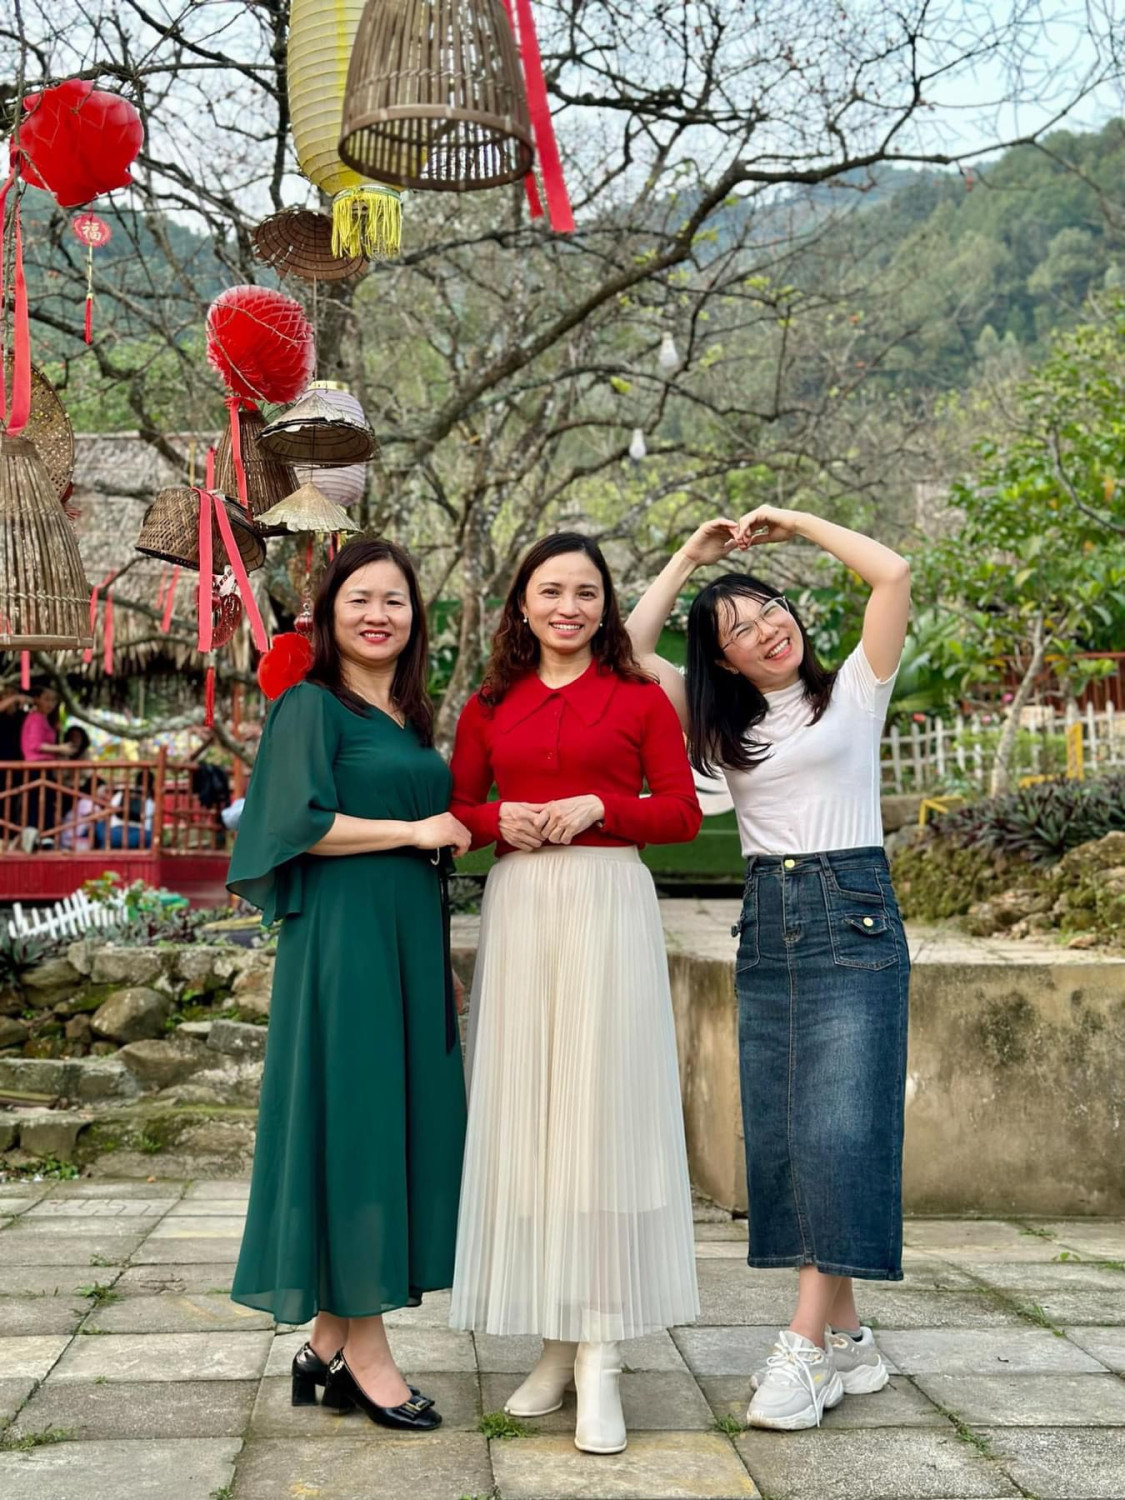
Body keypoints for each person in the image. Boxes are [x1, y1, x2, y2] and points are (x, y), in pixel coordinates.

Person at [627, 505, 912, 1433]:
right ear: (723, 662)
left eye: (768, 610)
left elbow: (892, 573)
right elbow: (628, 651)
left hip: (852, 916)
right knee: (789, 1139)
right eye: (739, 630)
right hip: (769, 922)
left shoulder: (854, 692)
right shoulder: (723, 734)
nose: (764, 630)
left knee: (838, 1134)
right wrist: (689, 554)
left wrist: (793, 524)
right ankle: (849, 1341)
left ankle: (802, 1345)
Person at [449, 532, 702, 1456]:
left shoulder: (637, 698)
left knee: (600, 1124)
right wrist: (495, 820)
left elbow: (681, 813)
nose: (568, 607)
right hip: (522, 914)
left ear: (605, 606)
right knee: (534, 1128)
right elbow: (455, 813)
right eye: (550, 591)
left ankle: (601, 1353)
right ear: (522, 603)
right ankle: (556, 1342)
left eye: (586, 593)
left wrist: (602, 807)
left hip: (607, 910)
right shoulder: (488, 704)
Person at [226, 537, 470, 1435]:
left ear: (415, 618)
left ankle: (324, 1348)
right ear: (328, 612)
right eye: (359, 598)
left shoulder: (405, 714)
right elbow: (292, 824)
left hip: (406, 942)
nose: (377, 614)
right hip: (343, 944)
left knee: (390, 1129)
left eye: (394, 600)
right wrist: (414, 832)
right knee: (359, 1132)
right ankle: (368, 1356)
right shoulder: (311, 705)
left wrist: (438, 957)